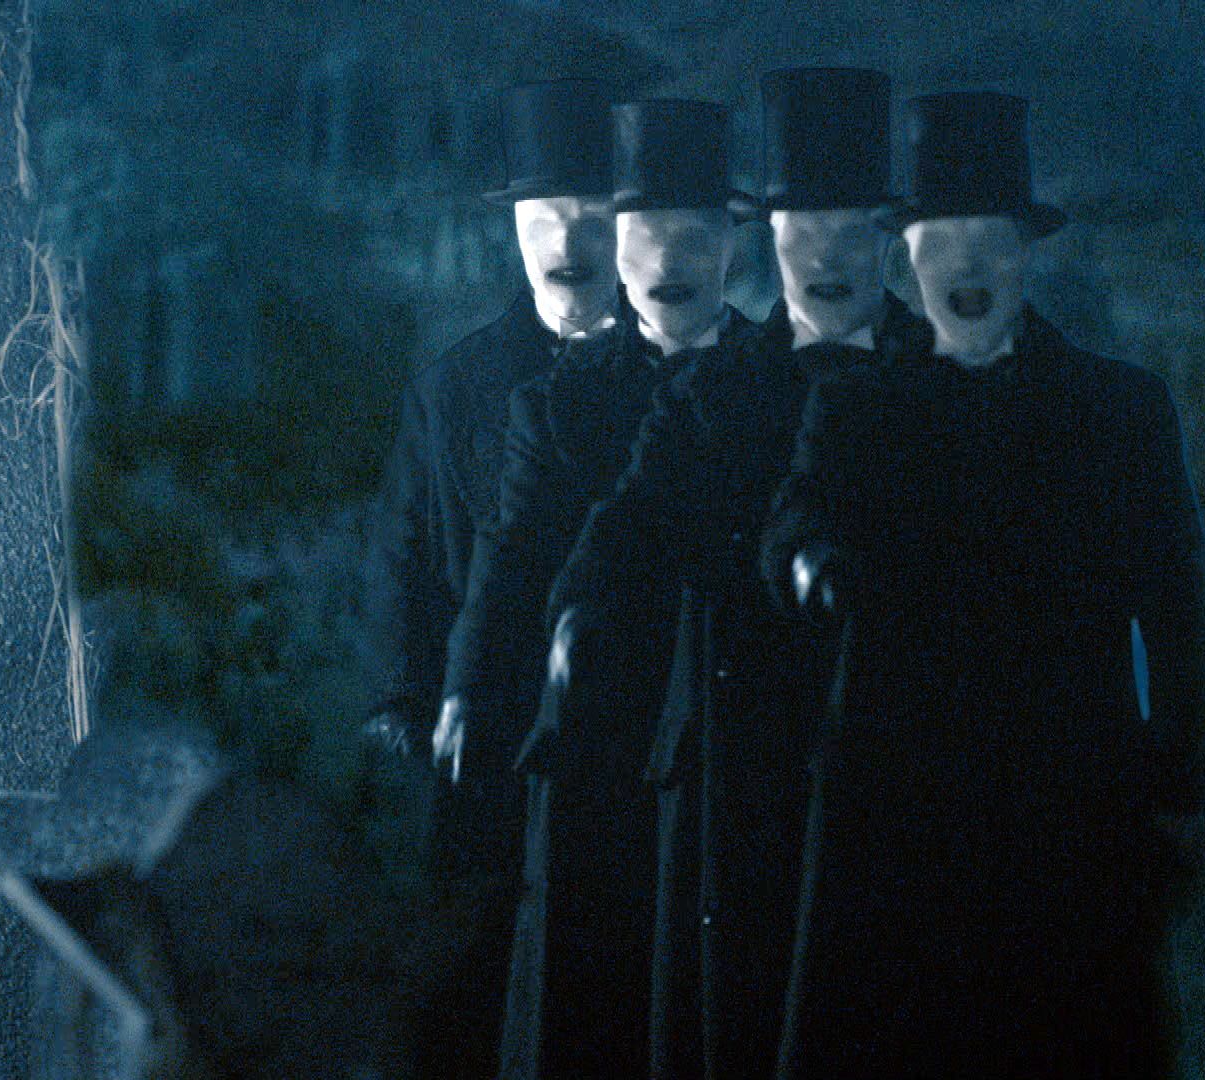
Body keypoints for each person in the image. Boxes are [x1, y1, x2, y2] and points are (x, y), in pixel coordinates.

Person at [759, 90, 1205, 1078]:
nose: (967, 270)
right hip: (898, 811)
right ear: (906, 261)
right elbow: (797, 518)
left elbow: (1176, 610)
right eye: (943, 245)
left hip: (1069, 810)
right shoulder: (856, 409)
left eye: (990, 244)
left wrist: (1178, 788)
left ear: (1028, 255)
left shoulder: (1119, 412)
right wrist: (814, 566)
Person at [541, 67, 927, 1080]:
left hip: (906, 772)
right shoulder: (718, 390)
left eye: (852, 233)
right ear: (769, 240)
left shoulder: (943, 383)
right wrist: (580, 607)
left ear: (890, 244)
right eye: (804, 232)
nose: (827, 259)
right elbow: (633, 518)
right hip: (741, 777)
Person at [439, 97, 762, 1080]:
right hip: (600, 731)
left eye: (692, 235)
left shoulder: (785, 384)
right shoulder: (557, 402)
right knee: (590, 982)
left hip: (739, 730)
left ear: (733, 243)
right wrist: (467, 687)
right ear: (615, 247)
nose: (667, 261)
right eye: (643, 235)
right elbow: (508, 554)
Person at [356, 76, 621, 1080]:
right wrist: (398, 700)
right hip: (490, 750)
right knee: (482, 991)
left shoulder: (678, 374)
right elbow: (405, 550)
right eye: (544, 217)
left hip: (634, 738)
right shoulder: (456, 387)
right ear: (513, 228)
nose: (567, 242)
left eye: (591, 217)